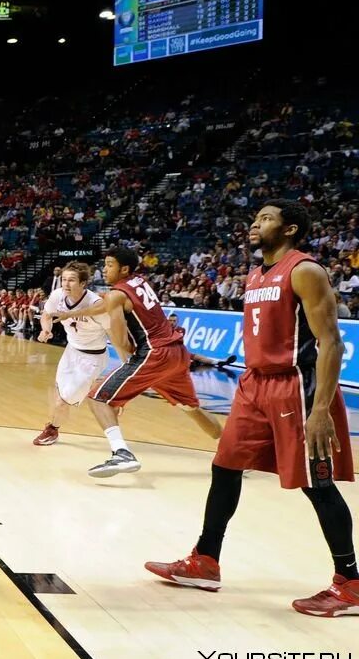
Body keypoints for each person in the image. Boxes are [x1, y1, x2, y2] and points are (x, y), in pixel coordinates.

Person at [146, 200, 358, 617]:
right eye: (256, 217)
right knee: (225, 465)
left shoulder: (305, 270)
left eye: (266, 219)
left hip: (294, 386)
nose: (255, 224)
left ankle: (351, 582)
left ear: (291, 229)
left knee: (316, 485)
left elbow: (330, 341)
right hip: (253, 383)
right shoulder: (255, 273)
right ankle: (205, 560)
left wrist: (319, 412)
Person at [47, 247, 223, 478]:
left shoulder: (116, 295)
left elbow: (119, 339)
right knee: (191, 408)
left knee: (99, 398)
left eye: (110, 265)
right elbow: (106, 304)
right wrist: (71, 315)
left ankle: (122, 454)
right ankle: (236, 450)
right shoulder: (139, 283)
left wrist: (128, 364)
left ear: (124, 269)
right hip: (178, 353)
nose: (105, 269)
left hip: (154, 354)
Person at [32, 261, 122, 446]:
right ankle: (106, 397)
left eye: (71, 280)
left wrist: (125, 362)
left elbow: (113, 332)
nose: (66, 284)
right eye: (64, 279)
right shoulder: (57, 296)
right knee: (60, 397)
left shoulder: (96, 305)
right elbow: (46, 315)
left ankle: (52, 429)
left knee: (63, 401)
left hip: (93, 357)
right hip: (71, 352)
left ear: (83, 283)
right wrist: (45, 330)